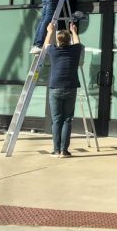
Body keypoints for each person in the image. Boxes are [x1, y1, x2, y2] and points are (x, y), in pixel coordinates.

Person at [44, 20, 83, 157]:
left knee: (56, 120)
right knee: (67, 119)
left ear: (58, 41)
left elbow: (46, 44)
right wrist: (74, 31)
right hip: (71, 88)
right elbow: (77, 43)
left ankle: (56, 149)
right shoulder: (75, 50)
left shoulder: (53, 51)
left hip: (55, 87)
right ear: (69, 40)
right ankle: (64, 150)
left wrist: (50, 31)